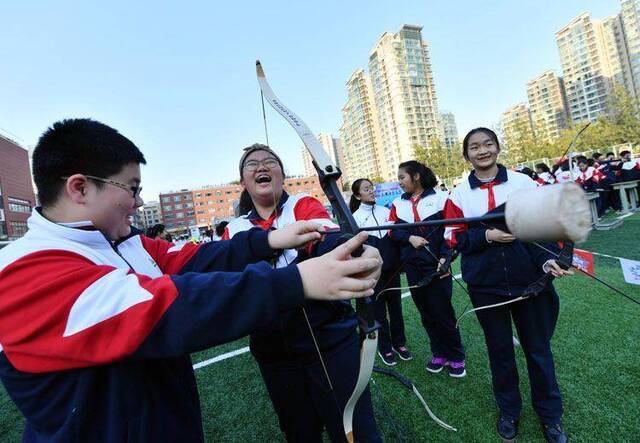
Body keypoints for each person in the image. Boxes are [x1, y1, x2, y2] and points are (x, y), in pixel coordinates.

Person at [0, 120, 381, 443]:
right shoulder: (20, 274)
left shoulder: (122, 240)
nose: (137, 203)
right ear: (80, 188)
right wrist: (295, 281)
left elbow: (192, 260)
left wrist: (269, 239)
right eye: (131, 189)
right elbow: (163, 308)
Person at [223, 144, 382, 443]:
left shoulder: (302, 204)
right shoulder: (235, 228)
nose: (261, 166)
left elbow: (327, 238)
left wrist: (354, 249)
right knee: (299, 432)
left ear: (282, 175)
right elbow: (233, 274)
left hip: (330, 340)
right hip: (273, 351)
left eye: (270, 161)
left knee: (355, 431)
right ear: (243, 182)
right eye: (251, 164)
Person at [443, 127, 570, 443]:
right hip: (486, 287)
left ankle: (551, 417)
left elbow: (545, 226)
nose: (482, 150)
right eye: (474, 146)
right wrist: (485, 235)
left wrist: (548, 260)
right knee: (500, 353)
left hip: (530, 283)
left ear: (498, 148)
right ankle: (509, 411)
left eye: (488, 144)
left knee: (539, 352)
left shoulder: (523, 183)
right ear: (467, 155)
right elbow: (453, 237)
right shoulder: (459, 194)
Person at [388, 161, 466, 377]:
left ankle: (457, 356)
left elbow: (452, 228)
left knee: (442, 312)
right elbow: (391, 231)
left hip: (437, 265)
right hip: (412, 267)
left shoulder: (442, 198)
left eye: (402, 177)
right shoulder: (397, 203)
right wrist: (410, 237)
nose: (400, 181)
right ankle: (438, 353)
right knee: (426, 313)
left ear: (416, 176)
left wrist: (445, 257)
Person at [350, 178, 411, 367]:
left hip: (393, 271)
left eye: (372, 188)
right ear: (358, 195)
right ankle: (384, 347)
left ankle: (399, 343)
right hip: (373, 275)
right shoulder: (356, 218)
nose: (371, 191)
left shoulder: (386, 211)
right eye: (366, 189)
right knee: (379, 312)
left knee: (396, 309)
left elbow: (397, 238)